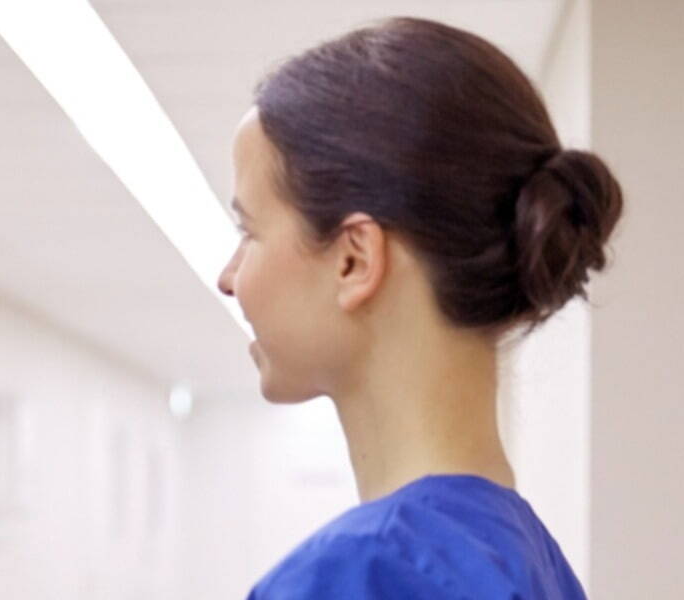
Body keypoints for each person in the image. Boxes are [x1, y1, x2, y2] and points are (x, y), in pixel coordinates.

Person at [218, 18, 620, 599]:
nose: (229, 278)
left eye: (248, 231)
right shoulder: (532, 563)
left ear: (354, 260)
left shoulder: (360, 574)